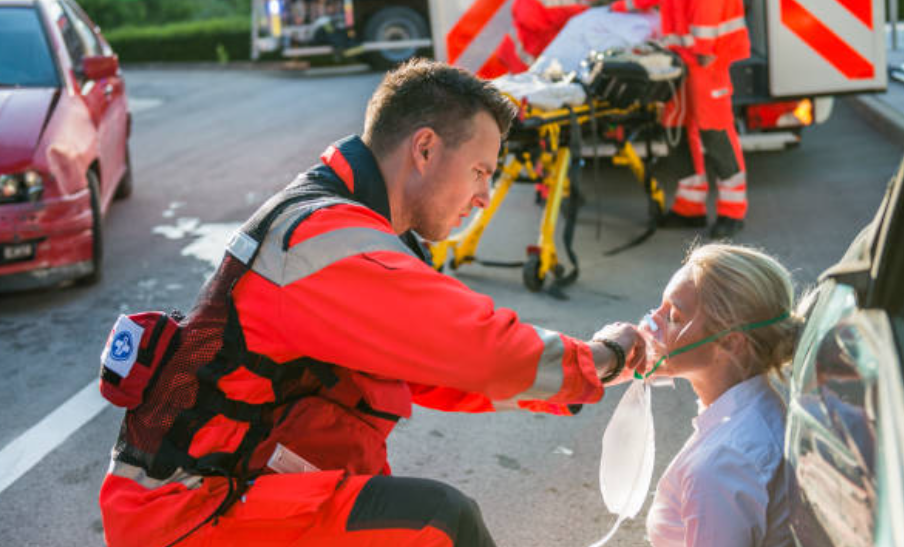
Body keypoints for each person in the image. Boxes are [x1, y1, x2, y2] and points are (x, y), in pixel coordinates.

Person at [98, 58, 645, 547]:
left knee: (382, 503)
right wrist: (603, 358)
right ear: (425, 148)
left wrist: (576, 384)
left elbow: (438, 371)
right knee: (437, 522)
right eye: (480, 171)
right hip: (188, 514)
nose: (484, 196)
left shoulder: (336, 221)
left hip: (214, 493)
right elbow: (475, 346)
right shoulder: (328, 238)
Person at [640, 243, 800, 546]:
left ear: (730, 343)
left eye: (673, 315)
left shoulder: (719, 466)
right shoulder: (759, 409)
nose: (650, 323)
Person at [612, 0, 751, 239]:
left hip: (708, 59)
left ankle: (732, 211)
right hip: (680, 59)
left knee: (715, 131)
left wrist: (704, 49)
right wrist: (618, 7)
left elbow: (708, 3)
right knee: (673, 128)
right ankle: (689, 206)